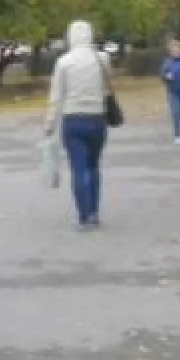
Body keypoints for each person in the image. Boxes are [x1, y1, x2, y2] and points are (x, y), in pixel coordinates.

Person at [46, 20, 111, 230]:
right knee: (94, 166)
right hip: (97, 118)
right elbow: (107, 83)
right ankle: (94, 211)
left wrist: (50, 123)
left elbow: (56, 96)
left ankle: (84, 215)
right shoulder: (102, 58)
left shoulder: (64, 62)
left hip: (73, 119)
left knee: (78, 168)